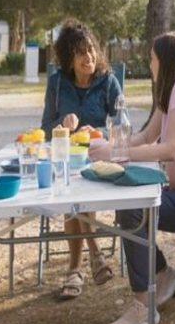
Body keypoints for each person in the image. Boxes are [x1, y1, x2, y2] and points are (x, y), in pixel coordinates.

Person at [89, 31, 175, 324]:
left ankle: (143, 306)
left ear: (163, 60)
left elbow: (170, 149)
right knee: (130, 204)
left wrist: (118, 153)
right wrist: (106, 143)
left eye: (151, 58)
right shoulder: (170, 92)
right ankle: (163, 273)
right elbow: (145, 137)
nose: (149, 64)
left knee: (134, 210)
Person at [41, 19, 122, 300]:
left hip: (97, 157)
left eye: (91, 50)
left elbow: (123, 123)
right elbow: (44, 128)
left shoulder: (108, 81)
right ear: (68, 59)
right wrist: (62, 124)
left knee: (73, 194)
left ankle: (75, 269)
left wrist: (98, 131)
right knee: (70, 188)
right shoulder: (57, 83)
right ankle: (95, 254)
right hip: (66, 157)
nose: (89, 57)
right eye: (80, 53)